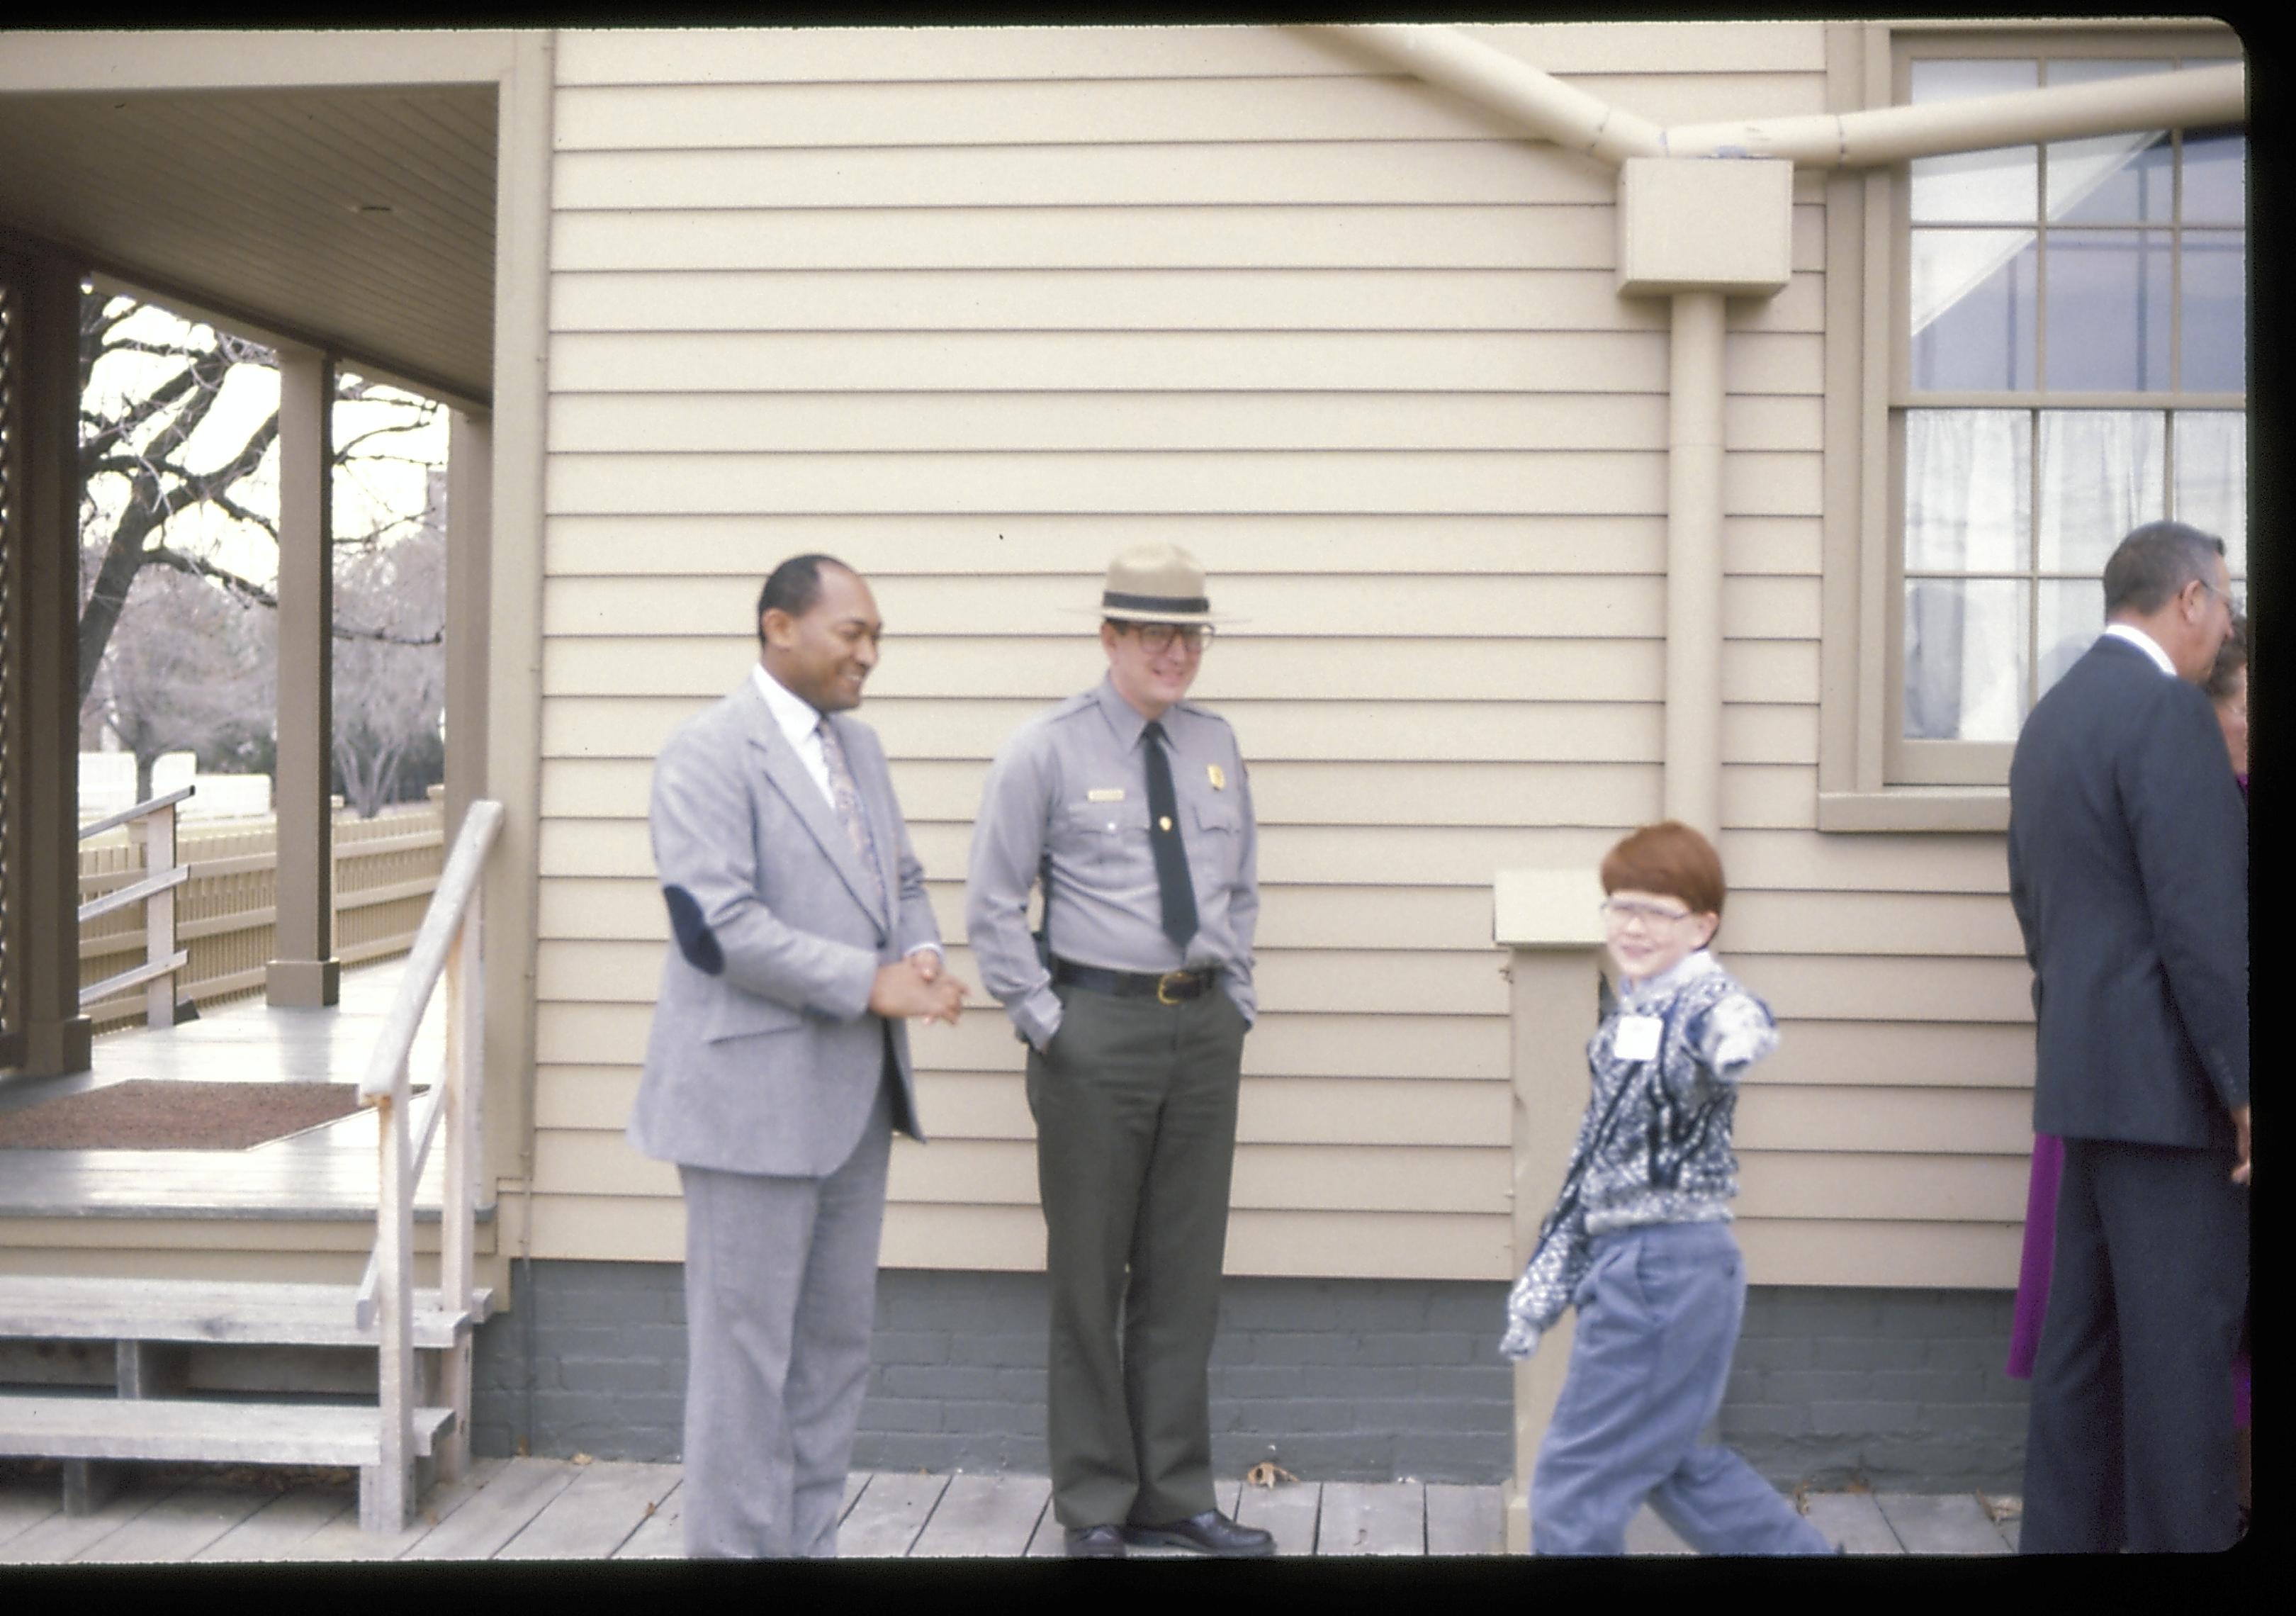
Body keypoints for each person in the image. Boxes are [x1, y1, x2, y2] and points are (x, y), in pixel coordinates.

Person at [626, 554, 967, 1558]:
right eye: (851, 633)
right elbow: (715, 928)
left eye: (876, 639)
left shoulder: (859, 751)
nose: (869, 655)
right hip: (748, 1107)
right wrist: (870, 984)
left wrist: (923, 953)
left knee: (830, 1359)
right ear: (780, 627)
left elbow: (900, 877)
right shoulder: (707, 752)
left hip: (854, 1104)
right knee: (745, 1373)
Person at [964, 542, 1270, 1559]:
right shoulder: (1045, 750)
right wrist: (1049, 1024)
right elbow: (993, 905)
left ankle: (1174, 1494)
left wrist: (1238, 1000)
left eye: (1188, 634)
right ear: (1110, 638)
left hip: (1202, 1031)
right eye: (1152, 633)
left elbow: (1241, 888)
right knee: (1091, 1278)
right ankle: (1096, 1504)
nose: (1174, 653)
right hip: (1096, 1033)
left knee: (1187, 1274)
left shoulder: (1217, 743)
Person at [2009, 520, 2249, 1554]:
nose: (2228, 624)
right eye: (2226, 603)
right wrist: (2244, 1089)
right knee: (2181, 1362)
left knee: (2082, 1352)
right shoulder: (2169, 714)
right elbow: (2204, 930)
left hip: (2083, 1081)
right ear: (2188, 599)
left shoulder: (2052, 717)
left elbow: (2036, 907)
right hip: (2170, 1095)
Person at [1501, 821, 1833, 1556]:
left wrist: (1738, 1043)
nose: (1634, 924)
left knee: (1571, 1489)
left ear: (1704, 925)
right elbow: (1594, 1163)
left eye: (1658, 909)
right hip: (1667, 1267)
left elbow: (1730, 1018)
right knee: (1680, 1469)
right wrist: (1544, 1286)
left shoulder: (1696, 1003)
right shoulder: (1636, 1011)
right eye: (1620, 905)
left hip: (1659, 1269)